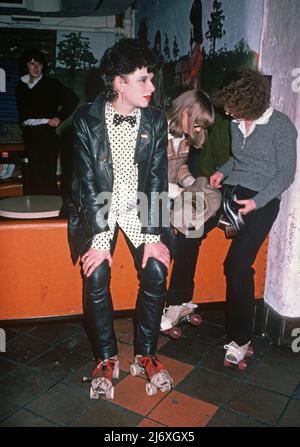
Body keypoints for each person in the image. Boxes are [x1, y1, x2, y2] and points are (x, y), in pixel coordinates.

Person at [67, 38, 174, 399]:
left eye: (152, 78)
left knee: (157, 268)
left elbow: (158, 178)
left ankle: (145, 354)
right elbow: (84, 182)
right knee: (96, 273)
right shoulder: (86, 119)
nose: (152, 87)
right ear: (119, 83)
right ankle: (106, 357)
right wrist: (98, 241)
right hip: (99, 206)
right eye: (143, 79)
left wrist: (155, 234)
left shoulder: (156, 120)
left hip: (138, 207)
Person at [210, 67, 297, 367]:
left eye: (230, 104)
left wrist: (257, 202)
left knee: (236, 265)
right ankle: (181, 301)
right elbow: (237, 159)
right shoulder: (236, 123)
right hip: (232, 192)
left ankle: (241, 337)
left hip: (261, 201)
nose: (226, 111)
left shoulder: (281, 126)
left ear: (247, 100)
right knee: (188, 226)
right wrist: (222, 171)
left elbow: (285, 174)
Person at [160, 89, 222, 331]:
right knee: (189, 235)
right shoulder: (156, 131)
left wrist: (191, 184)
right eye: (197, 125)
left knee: (194, 231)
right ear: (185, 113)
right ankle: (175, 300)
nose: (198, 131)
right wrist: (178, 191)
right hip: (148, 199)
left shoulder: (183, 136)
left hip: (172, 197)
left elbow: (181, 168)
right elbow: (144, 178)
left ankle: (180, 298)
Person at [16, 48, 79, 195]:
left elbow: (73, 99)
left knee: (47, 172)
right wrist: (23, 122)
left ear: (43, 66)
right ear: (26, 66)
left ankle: (50, 210)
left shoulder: (51, 84)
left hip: (46, 132)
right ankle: (32, 210)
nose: (36, 67)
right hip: (29, 133)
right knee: (32, 171)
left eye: (39, 64)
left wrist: (59, 117)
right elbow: (21, 108)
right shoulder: (21, 86)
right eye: (32, 64)